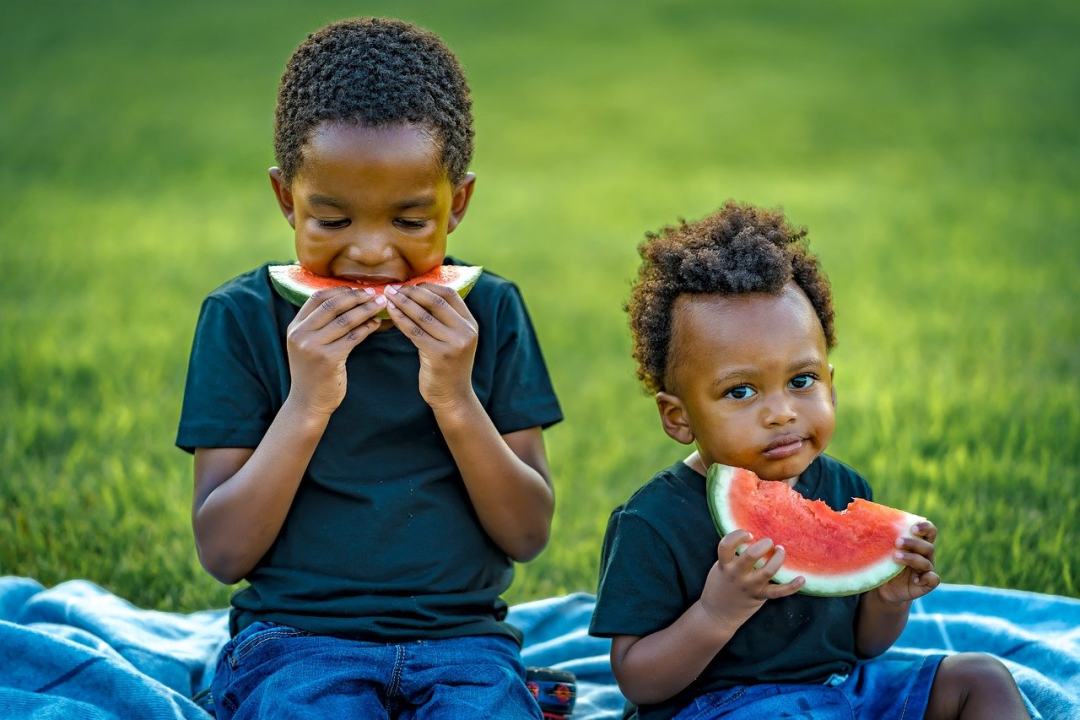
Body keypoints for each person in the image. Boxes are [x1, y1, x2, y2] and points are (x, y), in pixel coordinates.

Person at [176, 18, 563, 719]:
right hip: (294, 643)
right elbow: (224, 551)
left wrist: (455, 397)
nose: (371, 254)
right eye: (332, 221)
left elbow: (527, 532)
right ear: (285, 198)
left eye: (411, 222)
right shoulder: (239, 319)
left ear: (459, 204)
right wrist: (307, 403)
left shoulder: (493, 313)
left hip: (466, 645)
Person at [588, 201, 1030, 719]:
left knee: (980, 679)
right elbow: (638, 679)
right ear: (678, 417)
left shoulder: (844, 488)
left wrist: (888, 599)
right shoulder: (651, 521)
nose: (780, 413)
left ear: (831, 386)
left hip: (842, 691)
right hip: (721, 708)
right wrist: (715, 612)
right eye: (741, 391)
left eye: (802, 382)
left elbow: (863, 647)